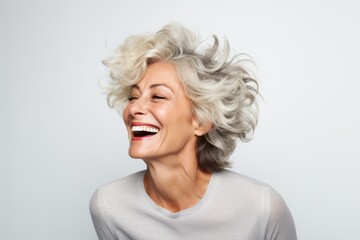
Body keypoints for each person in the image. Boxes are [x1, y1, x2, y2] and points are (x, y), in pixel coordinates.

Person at [90, 23, 297, 240]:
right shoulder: (109, 205)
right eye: (133, 97)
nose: (133, 109)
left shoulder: (261, 208)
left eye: (158, 96)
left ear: (202, 120)